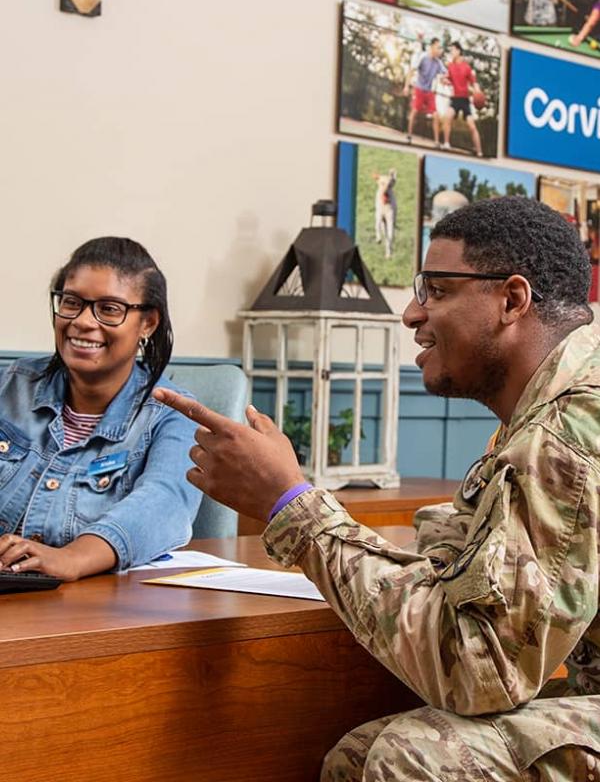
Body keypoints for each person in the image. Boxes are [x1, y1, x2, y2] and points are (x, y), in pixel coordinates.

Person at [155, 196, 600, 780]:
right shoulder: (537, 415)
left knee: (411, 758)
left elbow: (480, 670)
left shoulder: (569, 427)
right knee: (359, 756)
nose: (411, 314)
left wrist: (291, 505)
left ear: (512, 300)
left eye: (437, 290)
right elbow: (461, 577)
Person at [0, 237, 201, 581]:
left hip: (91, 614)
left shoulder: (174, 415)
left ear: (148, 323)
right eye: (71, 302)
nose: (82, 321)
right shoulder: (9, 386)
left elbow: (163, 505)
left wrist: (70, 559)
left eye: (109, 309)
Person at [402, 37, 446, 149]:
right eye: (438, 47)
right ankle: (409, 136)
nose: (440, 50)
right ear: (432, 47)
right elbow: (411, 71)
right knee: (415, 111)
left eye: (441, 48)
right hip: (419, 89)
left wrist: (446, 80)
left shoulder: (438, 63)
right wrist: (406, 86)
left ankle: (436, 142)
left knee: (436, 115)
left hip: (429, 92)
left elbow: (444, 76)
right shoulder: (423, 57)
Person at [442, 41, 483, 157]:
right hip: (455, 99)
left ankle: (479, 151)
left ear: (459, 51)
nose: (451, 52)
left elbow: (474, 83)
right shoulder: (450, 66)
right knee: (447, 117)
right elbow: (446, 78)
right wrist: (444, 80)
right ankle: (446, 143)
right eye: (450, 50)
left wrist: (478, 92)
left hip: (465, 101)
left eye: (453, 50)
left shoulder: (466, 67)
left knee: (472, 126)